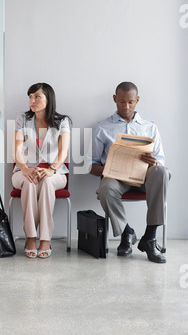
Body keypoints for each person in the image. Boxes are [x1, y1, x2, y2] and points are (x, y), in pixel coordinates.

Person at [90, 81, 170, 263]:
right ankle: (127, 233)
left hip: (145, 178)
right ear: (114, 99)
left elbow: (162, 161)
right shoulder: (102, 127)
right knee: (106, 188)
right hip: (117, 178)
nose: (126, 106)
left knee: (162, 171)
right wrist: (110, 168)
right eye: (121, 101)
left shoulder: (150, 127)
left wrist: (153, 163)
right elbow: (92, 165)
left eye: (131, 102)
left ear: (137, 100)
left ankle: (149, 238)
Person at [12, 82, 71, 259]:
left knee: (46, 182)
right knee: (29, 183)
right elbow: (16, 149)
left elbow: (63, 151)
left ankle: (45, 239)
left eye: (37, 96)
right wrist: (24, 168)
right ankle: (31, 237)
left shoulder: (62, 121)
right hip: (23, 170)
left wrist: (52, 169)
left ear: (48, 98)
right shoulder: (22, 119)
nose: (33, 100)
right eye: (30, 96)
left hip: (55, 172)